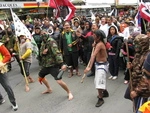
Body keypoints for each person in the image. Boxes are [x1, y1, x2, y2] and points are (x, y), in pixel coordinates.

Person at [38, 31, 73, 100]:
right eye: (41, 34)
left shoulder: (51, 42)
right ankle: (49, 89)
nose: (43, 35)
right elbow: (40, 53)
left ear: (47, 33)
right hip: (46, 65)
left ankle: (69, 92)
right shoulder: (43, 42)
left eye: (44, 33)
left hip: (53, 65)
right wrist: (43, 52)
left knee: (59, 80)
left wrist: (62, 64)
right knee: (40, 77)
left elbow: (57, 53)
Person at [84, 30, 109, 107]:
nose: (93, 36)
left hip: (102, 65)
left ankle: (101, 99)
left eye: (94, 36)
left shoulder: (100, 44)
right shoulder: (98, 43)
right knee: (97, 81)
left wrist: (89, 67)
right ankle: (104, 92)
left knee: (99, 82)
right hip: (99, 65)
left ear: (99, 37)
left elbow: (93, 55)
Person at [0, 42, 18, 111]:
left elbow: (8, 56)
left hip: (1, 70)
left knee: (7, 86)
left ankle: (13, 102)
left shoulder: (0, 46)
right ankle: (1, 99)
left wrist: (1, 63)